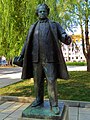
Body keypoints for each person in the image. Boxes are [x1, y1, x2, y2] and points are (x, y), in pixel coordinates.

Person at [17, 3, 72, 115]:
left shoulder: (54, 24)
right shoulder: (33, 27)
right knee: (38, 82)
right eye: (40, 11)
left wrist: (66, 38)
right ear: (37, 13)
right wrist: (21, 56)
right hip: (36, 59)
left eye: (44, 11)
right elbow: (27, 43)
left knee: (51, 81)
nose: (42, 13)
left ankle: (54, 104)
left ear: (47, 12)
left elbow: (63, 35)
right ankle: (38, 100)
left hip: (50, 58)